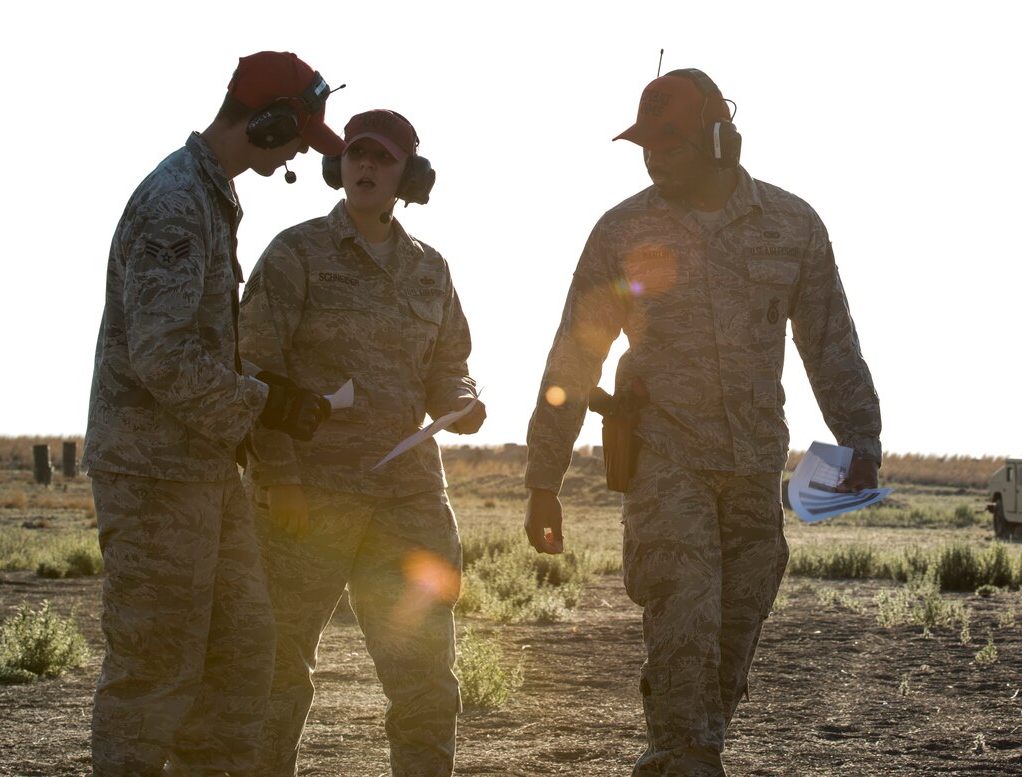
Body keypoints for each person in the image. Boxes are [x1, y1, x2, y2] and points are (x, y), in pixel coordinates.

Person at [523, 68, 882, 776]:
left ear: (721, 141)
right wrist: (544, 479)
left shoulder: (793, 226)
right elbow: (574, 358)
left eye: (669, 143)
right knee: (684, 627)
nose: (653, 158)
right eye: (645, 146)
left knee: (730, 638)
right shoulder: (624, 230)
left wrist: (861, 439)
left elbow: (830, 342)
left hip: (753, 469)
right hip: (666, 465)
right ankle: (684, 757)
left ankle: (684, 750)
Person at [82, 51, 346, 777]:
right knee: (155, 673)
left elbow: (189, 347)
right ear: (266, 121)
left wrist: (263, 395)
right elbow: (161, 355)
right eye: (296, 135)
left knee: (239, 659)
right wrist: (264, 405)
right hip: (155, 476)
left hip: (204, 471)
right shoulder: (175, 201)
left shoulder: (211, 197)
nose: (299, 152)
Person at [238, 108, 486, 777]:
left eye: (382, 158)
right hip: (308, 499)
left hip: (406, 500)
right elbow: (254, 367)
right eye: (355, 156)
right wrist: (279, 475)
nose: (366, 167)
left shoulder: (431, 270)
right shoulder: (295, 254)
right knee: (276, 674)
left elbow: (448, 363)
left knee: (426, 680)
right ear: (337, 166)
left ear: (410, 175)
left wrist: (458, 402)